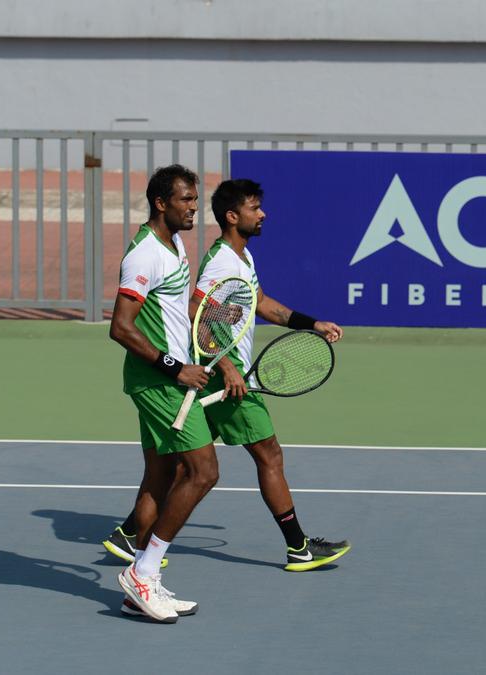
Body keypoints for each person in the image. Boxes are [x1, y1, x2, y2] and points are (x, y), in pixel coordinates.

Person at [104, 178, 351, 574]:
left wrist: (310, 323)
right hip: (224, 378)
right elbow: (196, 312)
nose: (263, 214)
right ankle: (298, 547)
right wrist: (226, 365)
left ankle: (131, 535)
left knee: (173, 467)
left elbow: (260, 303)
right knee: (259, 456)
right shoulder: (219, 261)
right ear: (234, 216)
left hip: (205, 373)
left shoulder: (238, 259)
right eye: (255, 208)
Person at [107, 164, 218, 623]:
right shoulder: (144, 255)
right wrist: (177, 369)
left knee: (163, 470)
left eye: (195, 199)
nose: (194, 207)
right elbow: (120, 327)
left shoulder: (174, 245)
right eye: (186, 200)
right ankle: (143, 570)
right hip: (160, 382)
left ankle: (144, 578)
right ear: (161, 203)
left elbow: (175, 311)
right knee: (203, 471)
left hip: (170, 377)